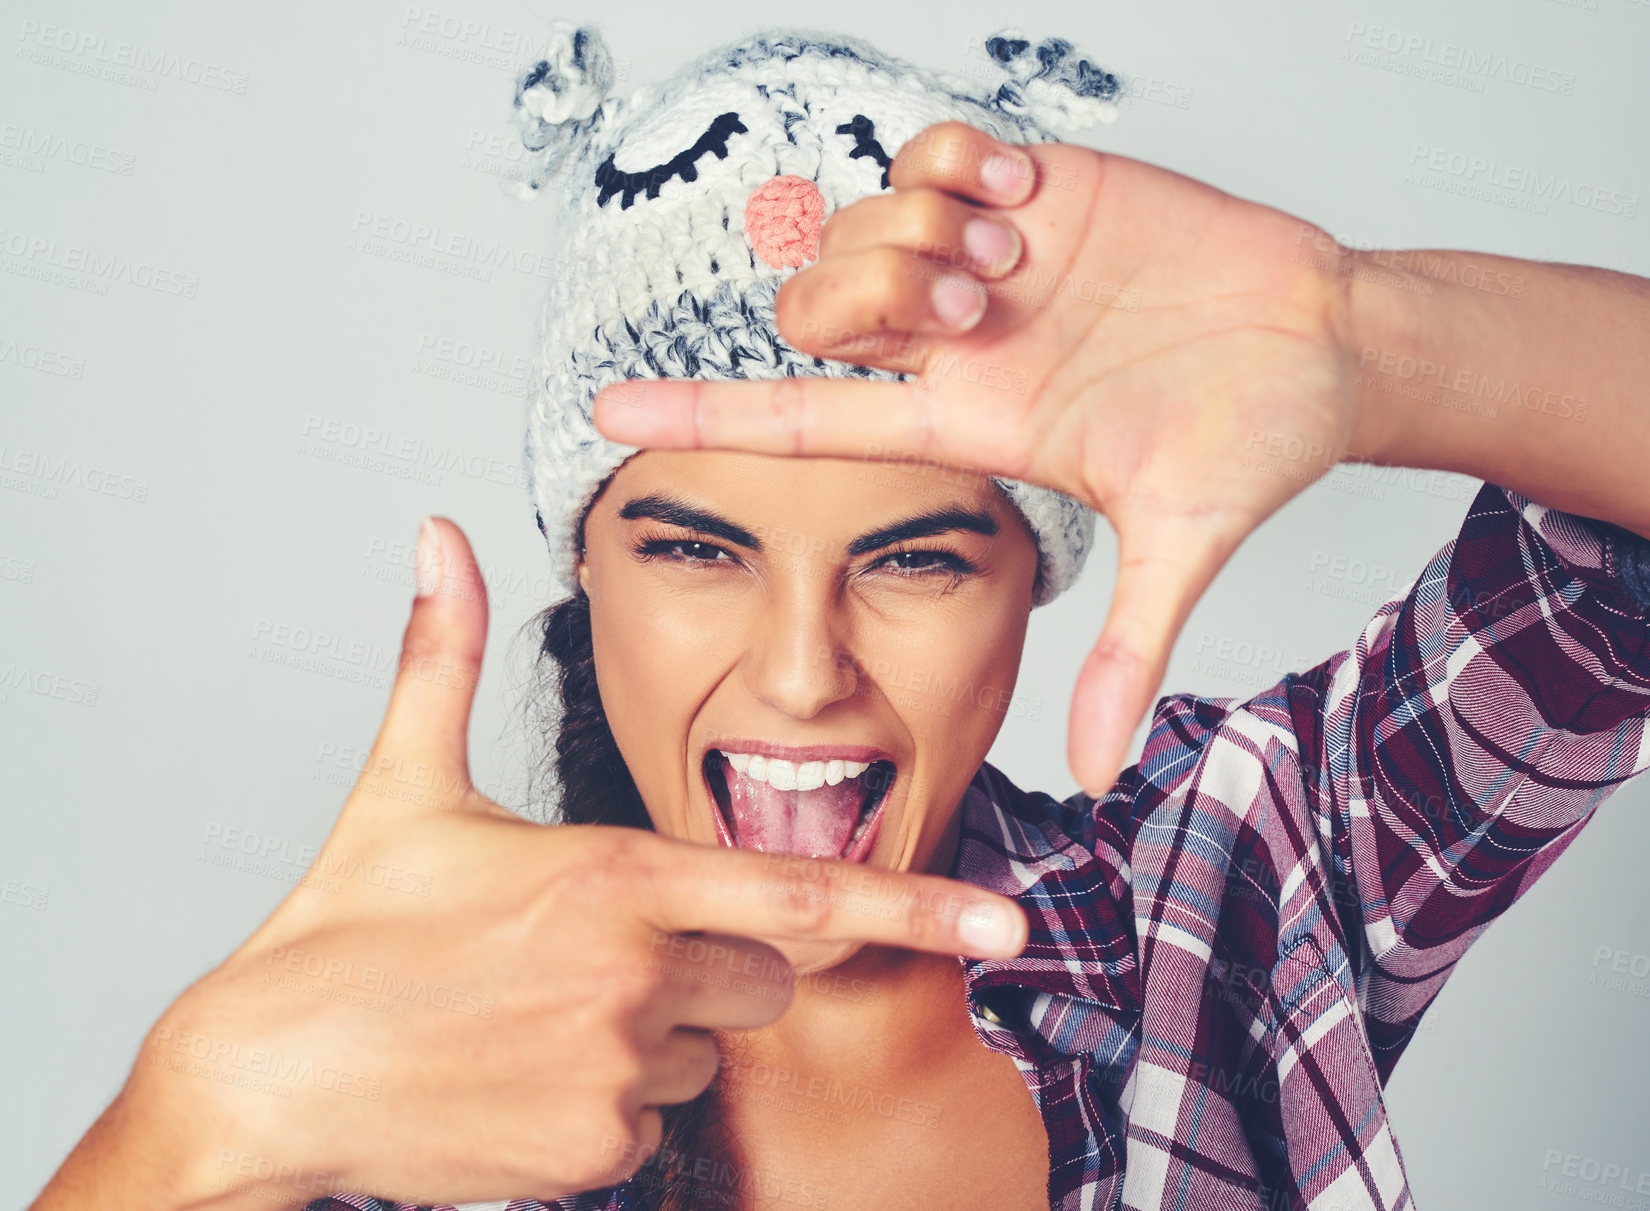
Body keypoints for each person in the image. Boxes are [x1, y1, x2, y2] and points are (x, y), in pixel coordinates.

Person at [29, 21, 1650, 1211]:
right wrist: (194, 1121)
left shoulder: (1237, 894)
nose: (802, 678)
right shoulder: (398, 1103)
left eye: (916, 561)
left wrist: (1356, 334)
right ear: (580, 575)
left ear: (1031, 584)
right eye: (692, 551)